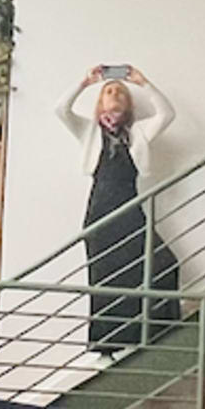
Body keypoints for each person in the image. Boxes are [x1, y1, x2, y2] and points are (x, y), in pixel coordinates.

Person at [60, 67, 177, 357]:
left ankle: (154, 335)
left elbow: (167, 114)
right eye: (109, 91)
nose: (115, 94)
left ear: (129, 103)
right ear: (100, 101)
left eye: (121, 91)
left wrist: (143, 83)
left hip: (129, 205)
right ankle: (105, 349)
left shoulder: (138, 132)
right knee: (104, 277)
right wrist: (84, 82)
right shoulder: (89, 130)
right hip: (100, 209)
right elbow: (60, 109)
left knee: (163, 264)